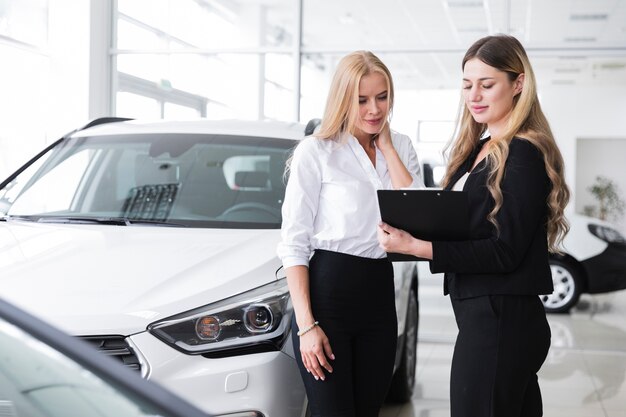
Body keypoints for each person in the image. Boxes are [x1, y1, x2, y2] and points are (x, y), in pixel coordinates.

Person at [378, 34, 570, 417]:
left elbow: (505, 250)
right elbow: (462, 223)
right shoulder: (482, 146)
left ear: (518, 84)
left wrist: (421, 248)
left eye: (487, 84)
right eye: (467, 85)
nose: (474, 95)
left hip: (502, 318)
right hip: (487, 313)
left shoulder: (523, 152)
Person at [277, 50, 423, 417]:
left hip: (378, 292)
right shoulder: (317, 151)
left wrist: (387, 148)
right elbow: (294, 244)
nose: (374, 109)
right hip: (328, 294)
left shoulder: (401, 145)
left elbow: (419, 218)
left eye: (382, 97)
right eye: (361, 100)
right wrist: (307, 325)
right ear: (343, 99)